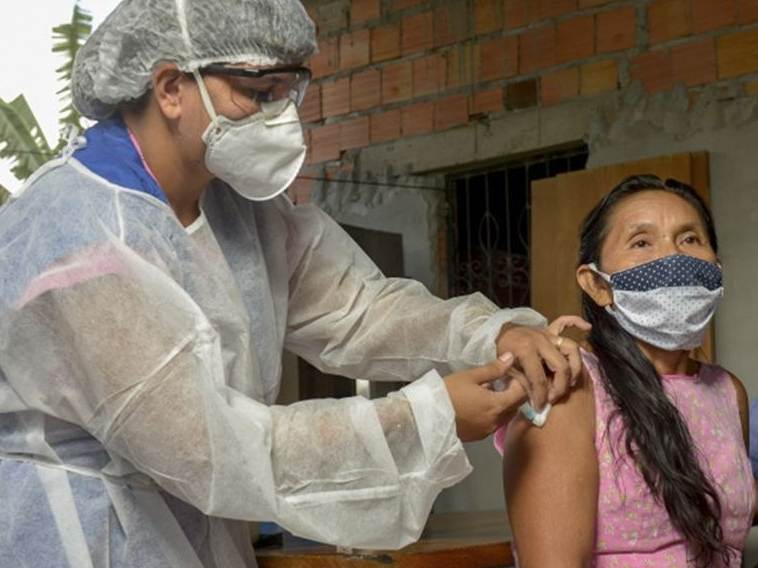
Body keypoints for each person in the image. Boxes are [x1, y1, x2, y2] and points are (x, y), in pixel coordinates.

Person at [0, 0, 587, 567]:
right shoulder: (76, 240)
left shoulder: (240, 211)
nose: (279, 116)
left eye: (287, 92)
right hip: (82, 536)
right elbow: (211, 446)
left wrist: (492, 332)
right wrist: (429, 418)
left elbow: (357, 309)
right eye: (256, 93)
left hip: (196, 534)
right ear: (171, 88)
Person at [495, 175, 755, 567]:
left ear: (716, 267)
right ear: (597, 285)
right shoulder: (571, 385)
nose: (674, 259)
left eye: (690, 239)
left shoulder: (726, 390)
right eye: (642, 242)